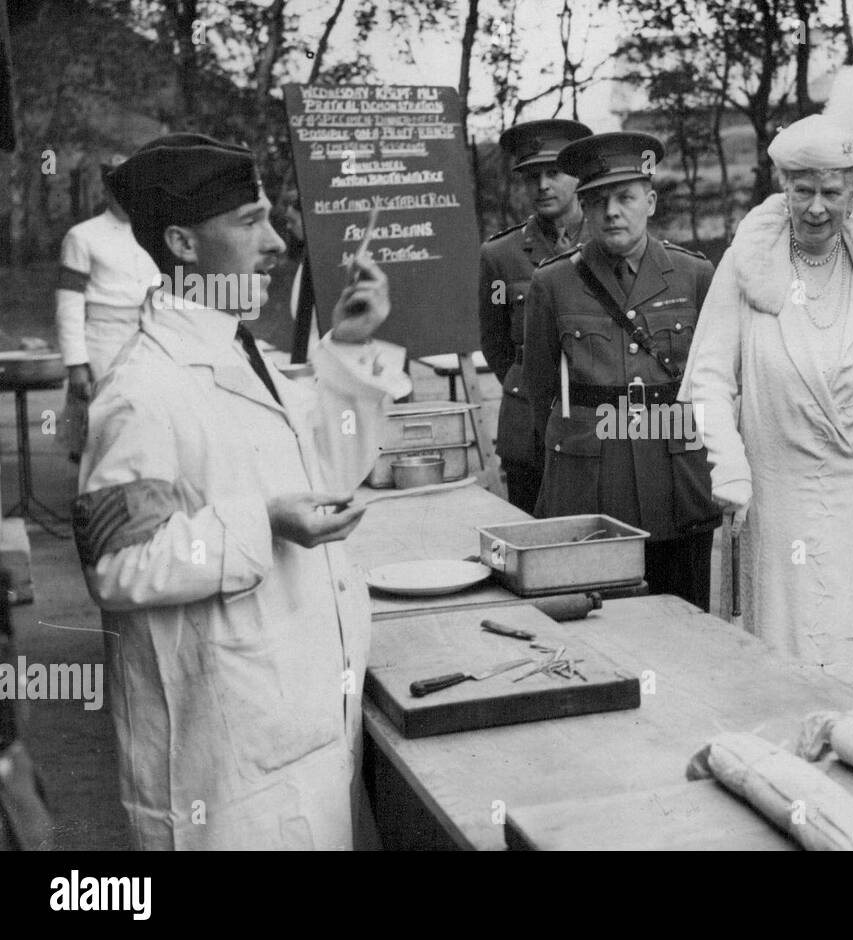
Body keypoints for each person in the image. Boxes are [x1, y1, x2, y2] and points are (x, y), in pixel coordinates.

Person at [75, 133, 411, 850]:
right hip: (222, 769)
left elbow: (322, 475)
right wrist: (264, 524)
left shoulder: (233, 348)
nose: (277, 242)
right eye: (249, 220)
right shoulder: (141, 391)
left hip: (289, 725)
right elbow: (116, 565)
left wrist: (349, 351)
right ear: (182, 244)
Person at [680, 66, 853, 713]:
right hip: (784, 494)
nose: (817, 207)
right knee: (795, 679)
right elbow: (708, 375)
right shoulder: (749, 266)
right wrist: (728, 464)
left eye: (831, 190)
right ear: (783, 187)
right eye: (803, 190)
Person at [523, 132, 719, 609]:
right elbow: (540, 388)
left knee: (686, 618)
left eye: (625, 197)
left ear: (649, 202)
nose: (612, 211)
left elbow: (716, 382)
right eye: (597, 200)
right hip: (592, 483)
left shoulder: (693, 275)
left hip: (676, 477)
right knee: (600, 623)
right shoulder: (552, 283)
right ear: (584, 209)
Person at [480, 119, 591, 512]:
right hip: (528, 427)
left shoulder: (610, 242)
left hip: (596, 422)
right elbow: (496, 345)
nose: (542, 185)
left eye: (554, 173)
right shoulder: (499, 256)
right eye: (532, 177)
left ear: (578, 176)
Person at [54, 157, 158, 456]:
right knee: (103, 432)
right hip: (103, 341)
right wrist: (76, 364)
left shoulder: (155, 231)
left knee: (147, 428)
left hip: (150, 337)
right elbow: (69, 304)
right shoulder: (83, 236)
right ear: (108, 190)